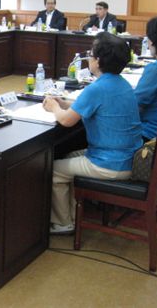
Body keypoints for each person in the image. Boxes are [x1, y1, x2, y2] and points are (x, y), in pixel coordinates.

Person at [43, 32, 142, 234]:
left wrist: (54, 107)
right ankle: (71, 215)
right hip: (129, 156)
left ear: (97, 61)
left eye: (90, 54)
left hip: (111, 163)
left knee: (52, 169)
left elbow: (66, 120)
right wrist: (64, 103)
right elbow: (89, 106)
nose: (88, 58)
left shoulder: (96, 89)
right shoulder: (122, 83)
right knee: (67, 156)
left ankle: (63, 223)